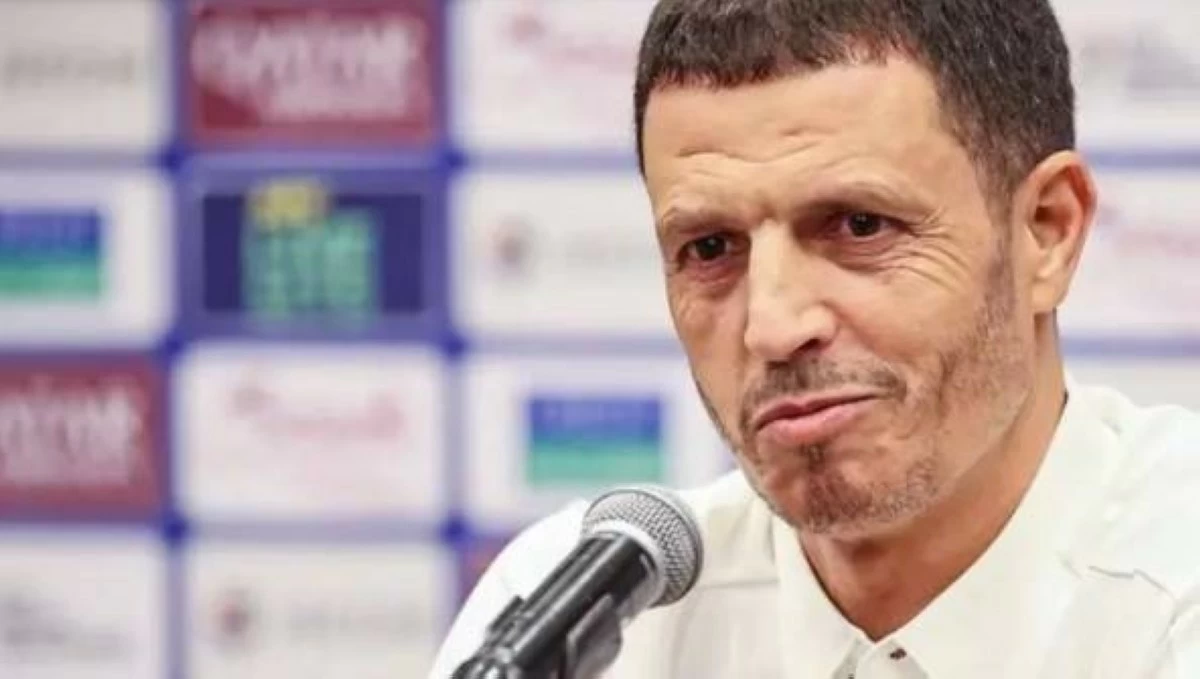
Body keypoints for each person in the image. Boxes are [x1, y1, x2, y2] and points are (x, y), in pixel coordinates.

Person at [430, 0, 1200, 676]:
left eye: (860, 225)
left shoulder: (1176, 585)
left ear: (1046, 232)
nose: (771, 326)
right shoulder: (580, 627)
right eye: (710, 248)